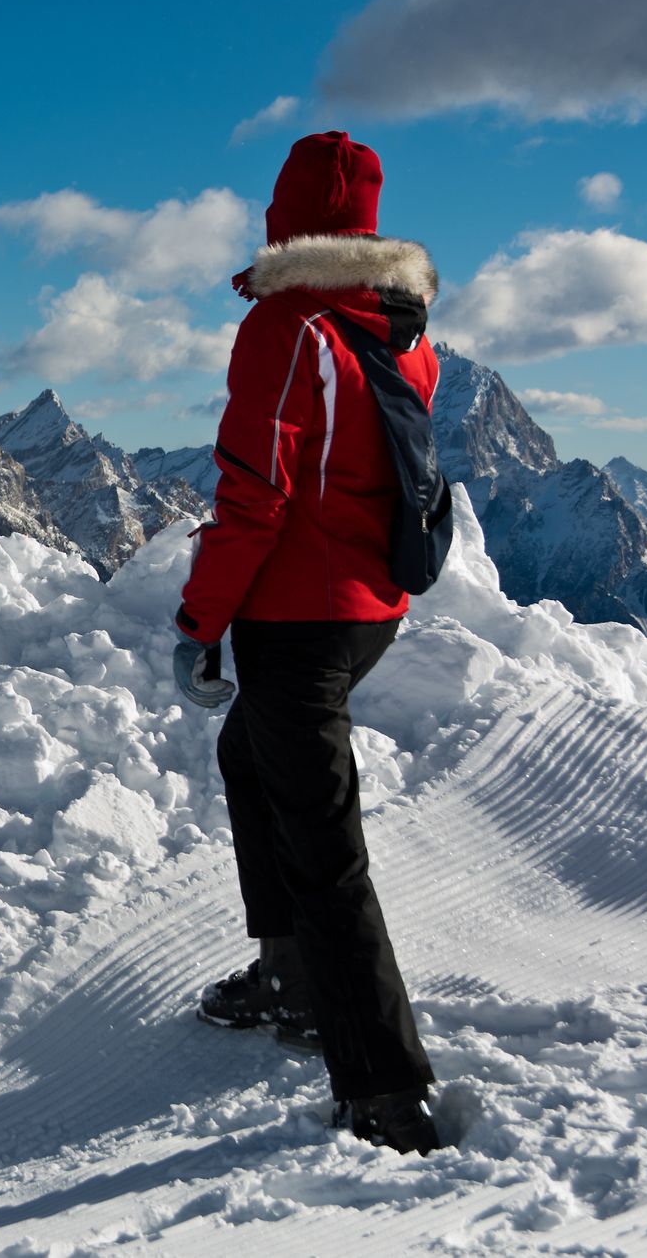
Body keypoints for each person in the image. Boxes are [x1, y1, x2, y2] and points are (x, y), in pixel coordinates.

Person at [171, 130, 442, 1155]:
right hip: (369, 609)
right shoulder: (401, 325)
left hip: (295, 620)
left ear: (283, 218)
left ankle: (381, 1088)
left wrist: (200, 623)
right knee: (251, 754)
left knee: (325, 848)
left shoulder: (287, 327)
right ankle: (286, 976)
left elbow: (253, 497)